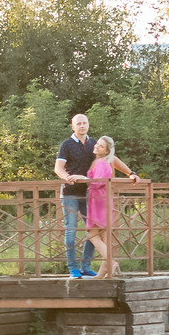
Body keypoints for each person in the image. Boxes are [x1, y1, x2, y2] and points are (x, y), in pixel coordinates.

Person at [84, 135, 138, 277]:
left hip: (98, 201)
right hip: (102, 200)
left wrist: (83, 179)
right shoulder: (103, 162)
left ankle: (111, 262)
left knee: (93, 236)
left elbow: (98, 182)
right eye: (97, 144)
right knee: (104, 238)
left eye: (101, 146)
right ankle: (103, 273)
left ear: (107, 151)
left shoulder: (101, 163)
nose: (96, 146)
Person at [54, 112, 96, 276]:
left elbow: (109, 159)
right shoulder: (67, 144)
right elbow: (58, 168)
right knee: (71, 231)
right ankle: (73, 269)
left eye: (84, 123)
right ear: (73, 126)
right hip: (70, 193)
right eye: (78, 123)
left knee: (94, 230)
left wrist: (130, 173)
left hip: (89, 193)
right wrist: (67, 177)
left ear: (88, 125)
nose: (82, 126)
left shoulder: (94, 144)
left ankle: (86, 267)